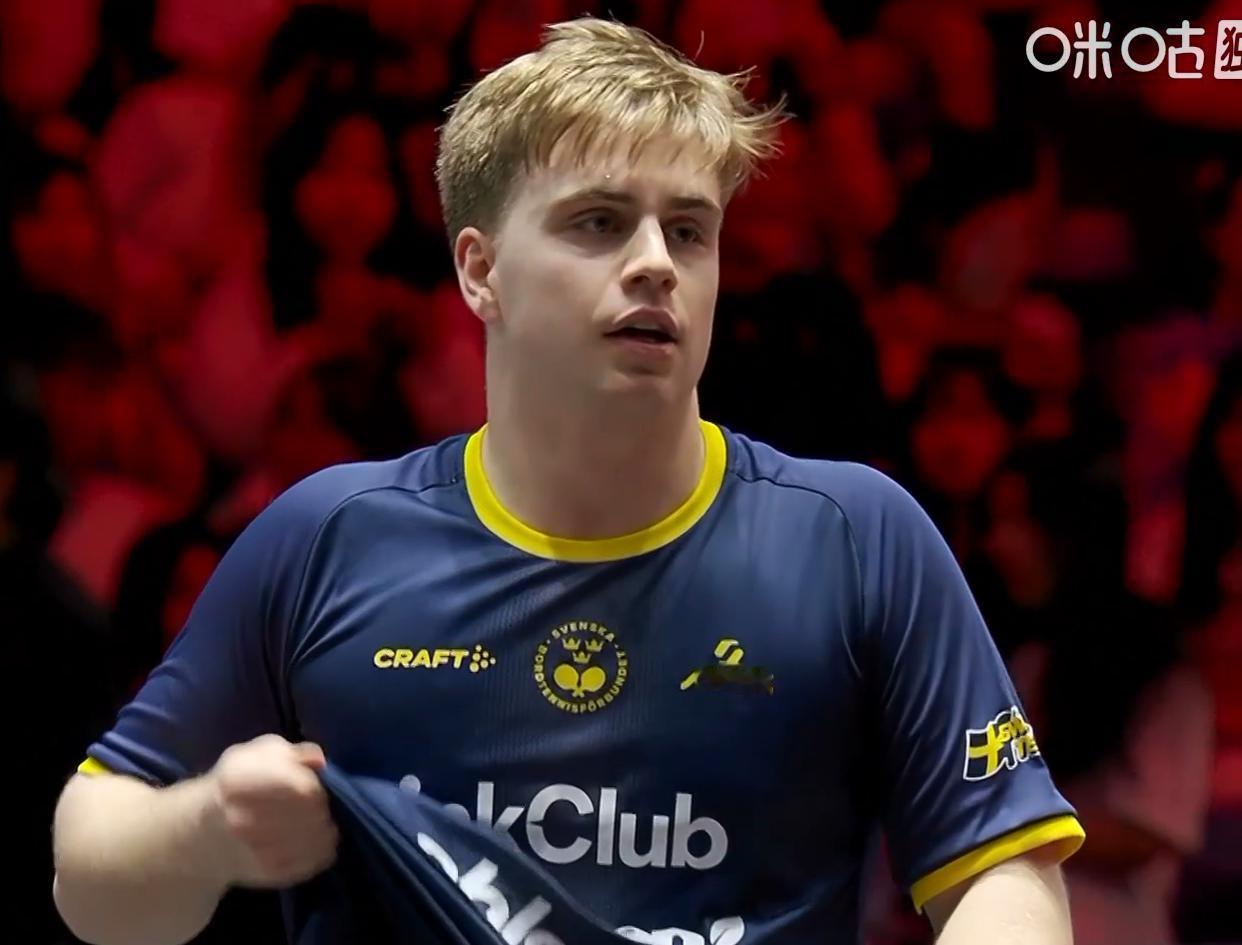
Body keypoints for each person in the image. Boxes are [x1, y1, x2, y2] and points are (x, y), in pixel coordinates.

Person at [51, 17, 1083, 945]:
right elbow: (91, 883)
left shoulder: (857, 537)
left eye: (689, 230)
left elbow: (1006, 876)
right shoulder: (326, 537)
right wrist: (204, 828)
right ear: (480, 270)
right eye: (599, 222)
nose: (656, 264)